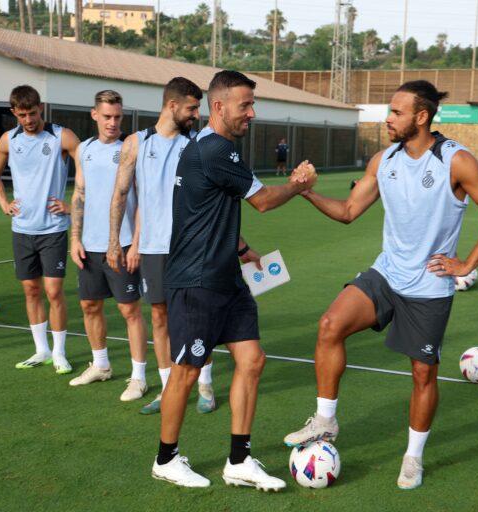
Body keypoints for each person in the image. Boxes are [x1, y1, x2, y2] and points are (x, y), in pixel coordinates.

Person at [283, 80, 478, 491]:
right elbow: (349, 210)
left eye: (395, 112)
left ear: (421, 117)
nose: (386, 119)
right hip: (386, 274)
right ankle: (325, 418)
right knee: (329, 326)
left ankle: (413, 456)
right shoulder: (383, 159)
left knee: (423, 374)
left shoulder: (455, 160)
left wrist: (466, 264)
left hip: (428, 288)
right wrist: (306, 192)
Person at [149, 70, 316, 489]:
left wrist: (241, 250)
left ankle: (239, 461)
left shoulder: (213, 149)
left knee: (252, 360)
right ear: (219, 107)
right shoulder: (215, 149)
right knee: (187, 369)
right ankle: (165, 459)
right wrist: (298, 185)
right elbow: (261, 201)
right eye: (245, 105)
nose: (252, 113)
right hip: (197, 280)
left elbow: (210, 209)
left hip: (227, 277)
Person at [107, 77, 217, 414]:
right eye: (192, 108)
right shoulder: (136, 143)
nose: (196, 115)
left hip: (190, 246)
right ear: (172, 105)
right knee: (159, 316)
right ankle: (169, 386)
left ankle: (205, 383)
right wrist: (116, 240)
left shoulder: (196, 144)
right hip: (154, 248)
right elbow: (122, 194)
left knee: (197, 316)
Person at [0, 85, 79, 374]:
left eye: (32, 113)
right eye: (22, 115)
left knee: (53, 291)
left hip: (52, 228)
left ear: (41, 108)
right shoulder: (8, 139)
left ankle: (60, 352)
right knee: (30, 290)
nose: (28, 119)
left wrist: (72, 204)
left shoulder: (61, 136)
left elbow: (87, 170)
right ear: (14, 112)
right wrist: (3, 202)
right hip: (22, 228)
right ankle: (41, 350)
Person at [68, 89, 148, 397]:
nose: (112, 123)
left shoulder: (131, 148)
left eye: (117, 117)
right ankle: (100, 365)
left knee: (130, 311)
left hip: (124, 243)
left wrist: (136, 243)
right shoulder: (84, 149)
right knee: (89, 305)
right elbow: (79, 194)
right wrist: (75, 238)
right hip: (90, 245)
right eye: (107, 117)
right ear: (94, 115)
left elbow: (142, 199)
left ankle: (138, 376)